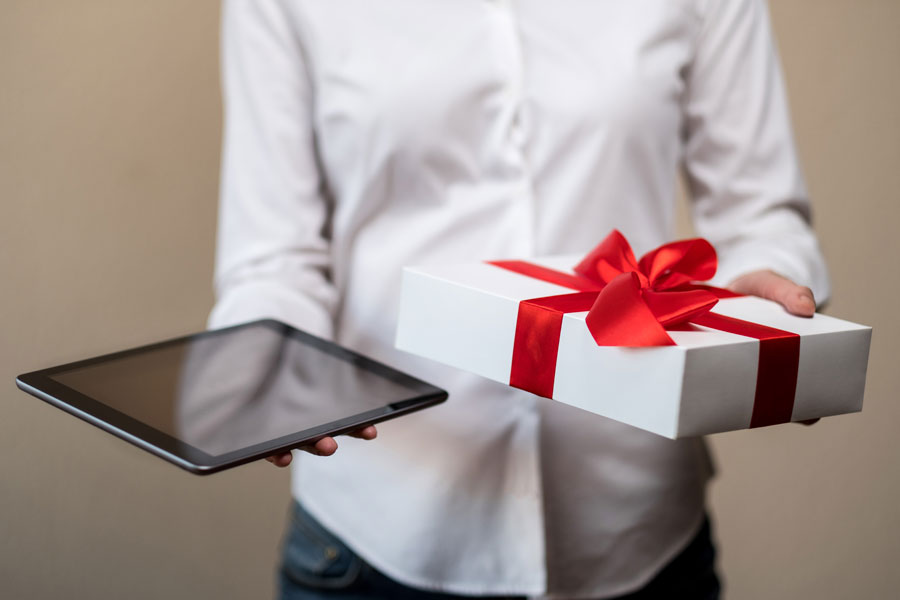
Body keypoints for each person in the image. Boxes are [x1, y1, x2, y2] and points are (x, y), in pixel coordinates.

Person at [209, 1, 829, 598]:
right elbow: (274, 255)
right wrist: (269, 360)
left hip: (637, 530)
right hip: (378, 532)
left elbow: (759, 211)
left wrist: (768, 303)